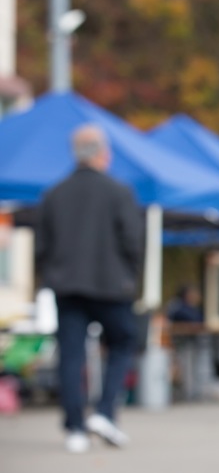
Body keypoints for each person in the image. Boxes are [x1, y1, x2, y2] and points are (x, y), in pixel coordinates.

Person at [35, 124, 144, 453]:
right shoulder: (119, 192)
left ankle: (75, 428)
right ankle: (105, 411)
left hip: (67, 286)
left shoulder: (54, 194)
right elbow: (133, 241)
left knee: (71, 355)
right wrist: (131, 278)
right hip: (112, 286)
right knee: (123, 342)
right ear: (102, 153)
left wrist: (52, 276)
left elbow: (42, 247)